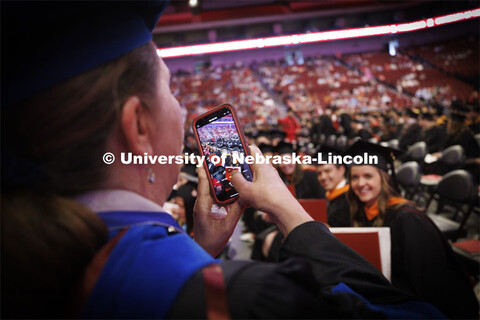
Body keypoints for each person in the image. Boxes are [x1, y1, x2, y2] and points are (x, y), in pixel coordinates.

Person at [2, 2, 446, 319]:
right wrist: (288, 211)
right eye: (172, 90)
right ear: (137, 125)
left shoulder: (31, 258)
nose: (180, 109)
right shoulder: (242, 299)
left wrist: (199, 248)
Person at [345, 141, 479, 319]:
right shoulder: (365, 211)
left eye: (368, 176)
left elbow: (426, 283)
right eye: (355, 177)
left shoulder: (408, 220)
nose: (360, 183)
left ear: (384, 178)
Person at [316, 147, 351, 227]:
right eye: (319, 173)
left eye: (327, 171)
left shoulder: (351, 197)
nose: (323, 177)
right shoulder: (329, 196)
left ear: (341, 170)